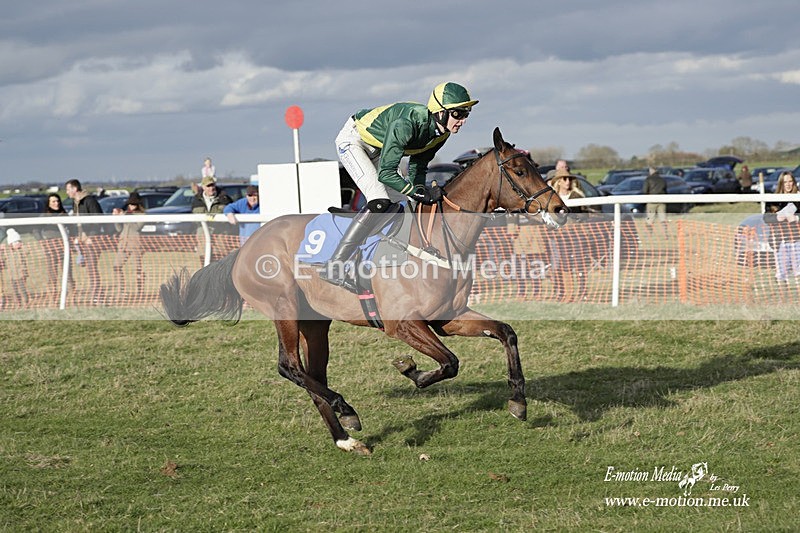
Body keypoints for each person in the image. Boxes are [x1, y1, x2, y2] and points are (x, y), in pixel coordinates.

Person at [320, 81, 478, 290]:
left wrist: (418, 191)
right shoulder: (406, 124)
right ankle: (335, 265)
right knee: (379, 201)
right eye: (458, 113)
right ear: (440, 112)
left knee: (406, 207)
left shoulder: (442, 133)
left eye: (466, 113)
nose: (463, 120)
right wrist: (414, 191)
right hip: (355, 141)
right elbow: (386, 173)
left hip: (380, 149)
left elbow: (418, 167)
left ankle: (391, 264)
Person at [65, 178, 105, 304]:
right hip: (81, 240)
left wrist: (90, 236)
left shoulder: (90, 201)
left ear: (75, 189)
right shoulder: (75, 203)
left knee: (92, 268)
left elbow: (98, 219)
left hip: (91, 241)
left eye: (68, 189)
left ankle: (97, 296)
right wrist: (77, 236)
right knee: (88, 268)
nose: (66, 192)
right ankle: (95, 293)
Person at [37, 193, 75, 302]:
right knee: (52, 273)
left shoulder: (64, 214)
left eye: (58, 201)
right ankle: (52, 297)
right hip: (51, 248)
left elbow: (71, 228)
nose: (56, 203)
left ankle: (71, 296)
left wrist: (71, 240)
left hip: (64, 247)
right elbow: (36, 229)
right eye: (53, 201)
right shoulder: (44, 216)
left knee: (68, 273)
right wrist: (42, 242)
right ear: (48, 203)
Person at [764, 171, 800, 281]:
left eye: (790, 181)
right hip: (780, 241)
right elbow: (766, 218)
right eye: (785, 182)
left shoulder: (798, 198)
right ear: (781, 184)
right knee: (782, 274)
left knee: (798, 273)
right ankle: (782, 294)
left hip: (797, 240)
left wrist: (797, 218)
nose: (788, 184)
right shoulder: (773, 200)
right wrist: (776, 218)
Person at [112, 193, 146, 303]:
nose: (131, 205)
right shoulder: (126, 213)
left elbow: (137, 227)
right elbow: (118, 229)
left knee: (138, 269)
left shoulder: (142, 215)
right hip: (123, 244)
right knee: (116, 266)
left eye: (134, 203)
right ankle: (122, 291)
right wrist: (117, 218)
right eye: (130, 203)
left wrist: (126, 216)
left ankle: (140, 292)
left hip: (136, 244)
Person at [192, 176, 232, 265]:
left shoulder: (224, 198)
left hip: (220, 232)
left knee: (221, 258)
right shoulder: (196, 200)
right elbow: (195, 218)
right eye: (208, 186)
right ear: (203, 187)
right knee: (204, 256)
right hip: (203, 233)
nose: (211, 188)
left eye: (212, 185)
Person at [0, 229, 30, 309]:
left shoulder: (21, 251)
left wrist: (22, 245)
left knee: (23, 288)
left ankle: (26, 301)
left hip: (21, 273)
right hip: (12, 275)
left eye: (18, 242)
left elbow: (27, 251)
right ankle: (18, 302)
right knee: (15, 290)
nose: (16, 244)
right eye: (14, 242)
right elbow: (2, 258)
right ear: (10, 244)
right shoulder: (7, 252)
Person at [642, 167, 668, 238]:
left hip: (651, 201)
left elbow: (644, 190)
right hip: (661, 201)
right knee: (663, 218)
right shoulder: (662, 179)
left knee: (650, 218)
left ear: (652, 171)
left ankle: (649, 234)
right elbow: (665, 190)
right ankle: (665, 234)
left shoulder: (648, 179)